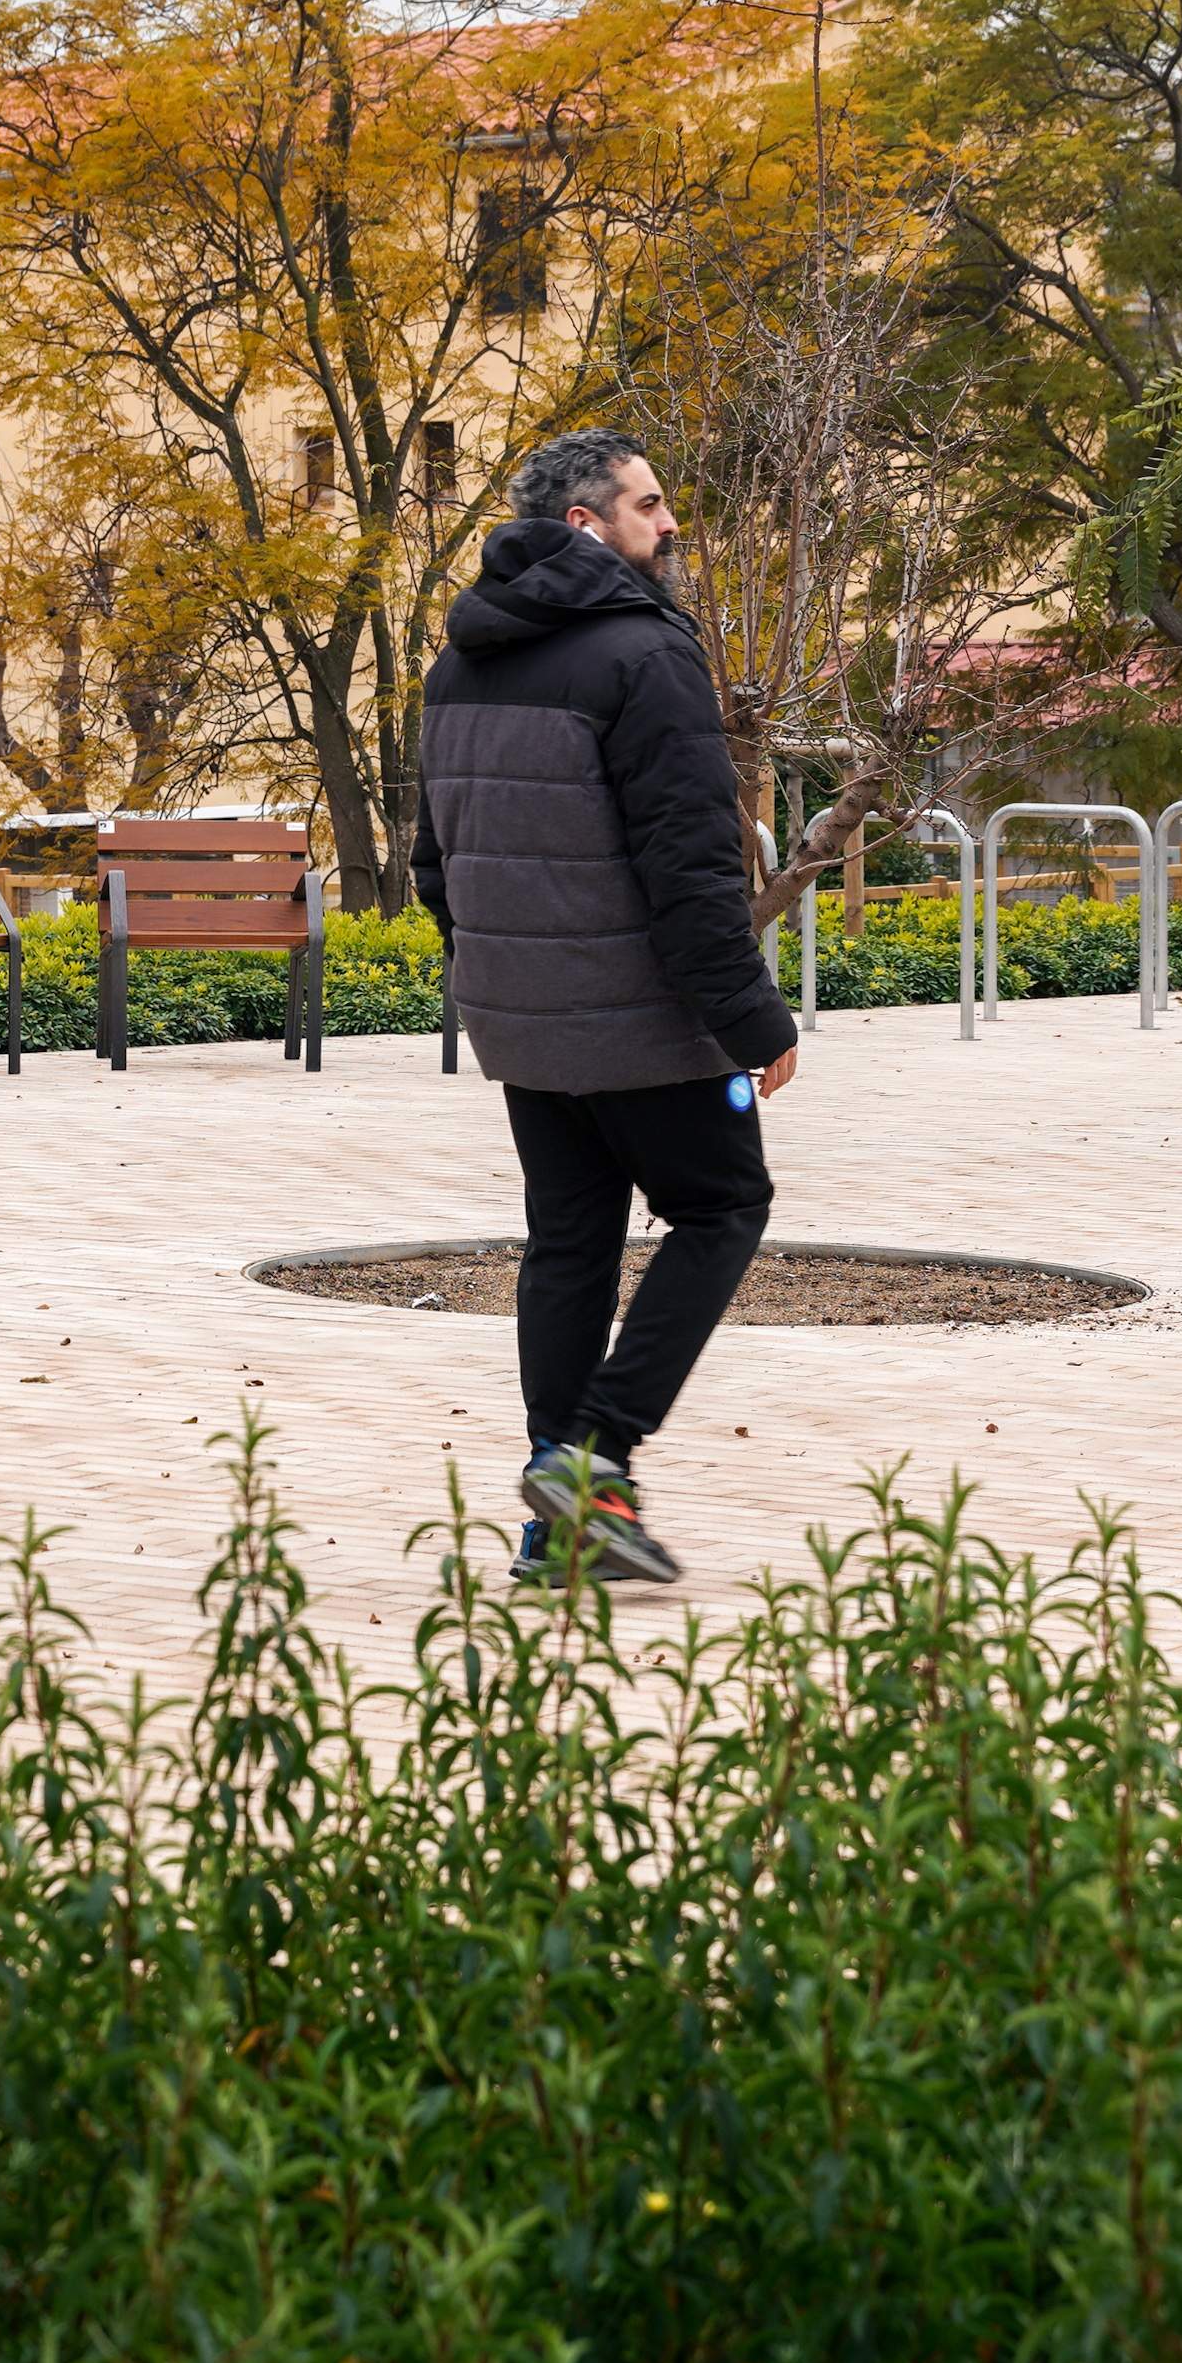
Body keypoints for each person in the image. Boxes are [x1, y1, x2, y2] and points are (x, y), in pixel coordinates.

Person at [409, 430, 797, 1585]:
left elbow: (434, 861)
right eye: (649, 503)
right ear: (589, 526)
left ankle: (556, 1525)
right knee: (724, 1205)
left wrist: (507, 973)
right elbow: (690, 867)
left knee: (570, 1245)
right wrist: (751, 1018)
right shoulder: (643, 657)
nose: (669, 524)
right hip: (637, 1013)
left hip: (520, 1018)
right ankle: (594, 1455)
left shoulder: (459, 665)